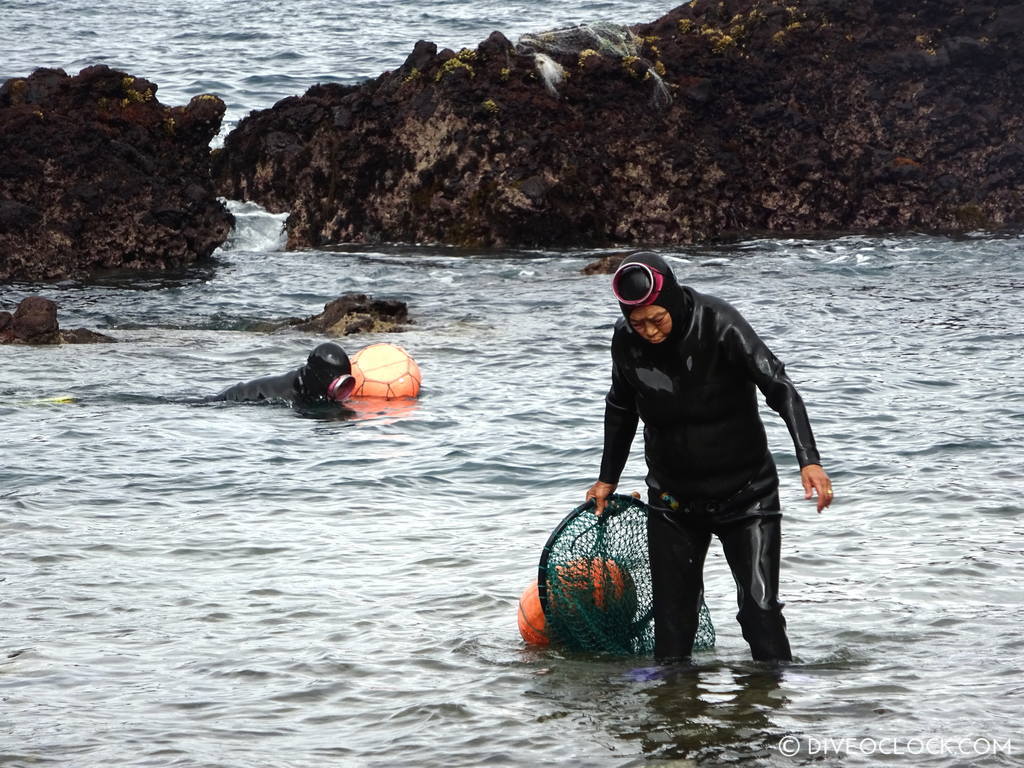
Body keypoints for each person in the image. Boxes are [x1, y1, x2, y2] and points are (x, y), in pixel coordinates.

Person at [585, 252, 833, 663]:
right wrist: (607, 478)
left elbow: (780, 386)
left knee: (759, 611)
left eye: (657, 320)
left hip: (746, 496)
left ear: (676, 303)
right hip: (672, 502)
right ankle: (674, 712)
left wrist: (809, 459)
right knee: (672, 623)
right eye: (637, 322)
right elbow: (621, 408)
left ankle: (776, 702)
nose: (648, 331)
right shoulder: (625, 340)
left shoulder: (719, 323)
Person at [209, 342, 355, 405]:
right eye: (340, 386)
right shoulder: (288, 396)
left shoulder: (312, 386)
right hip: (229, 400)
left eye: (347, 384)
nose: (343, 391)